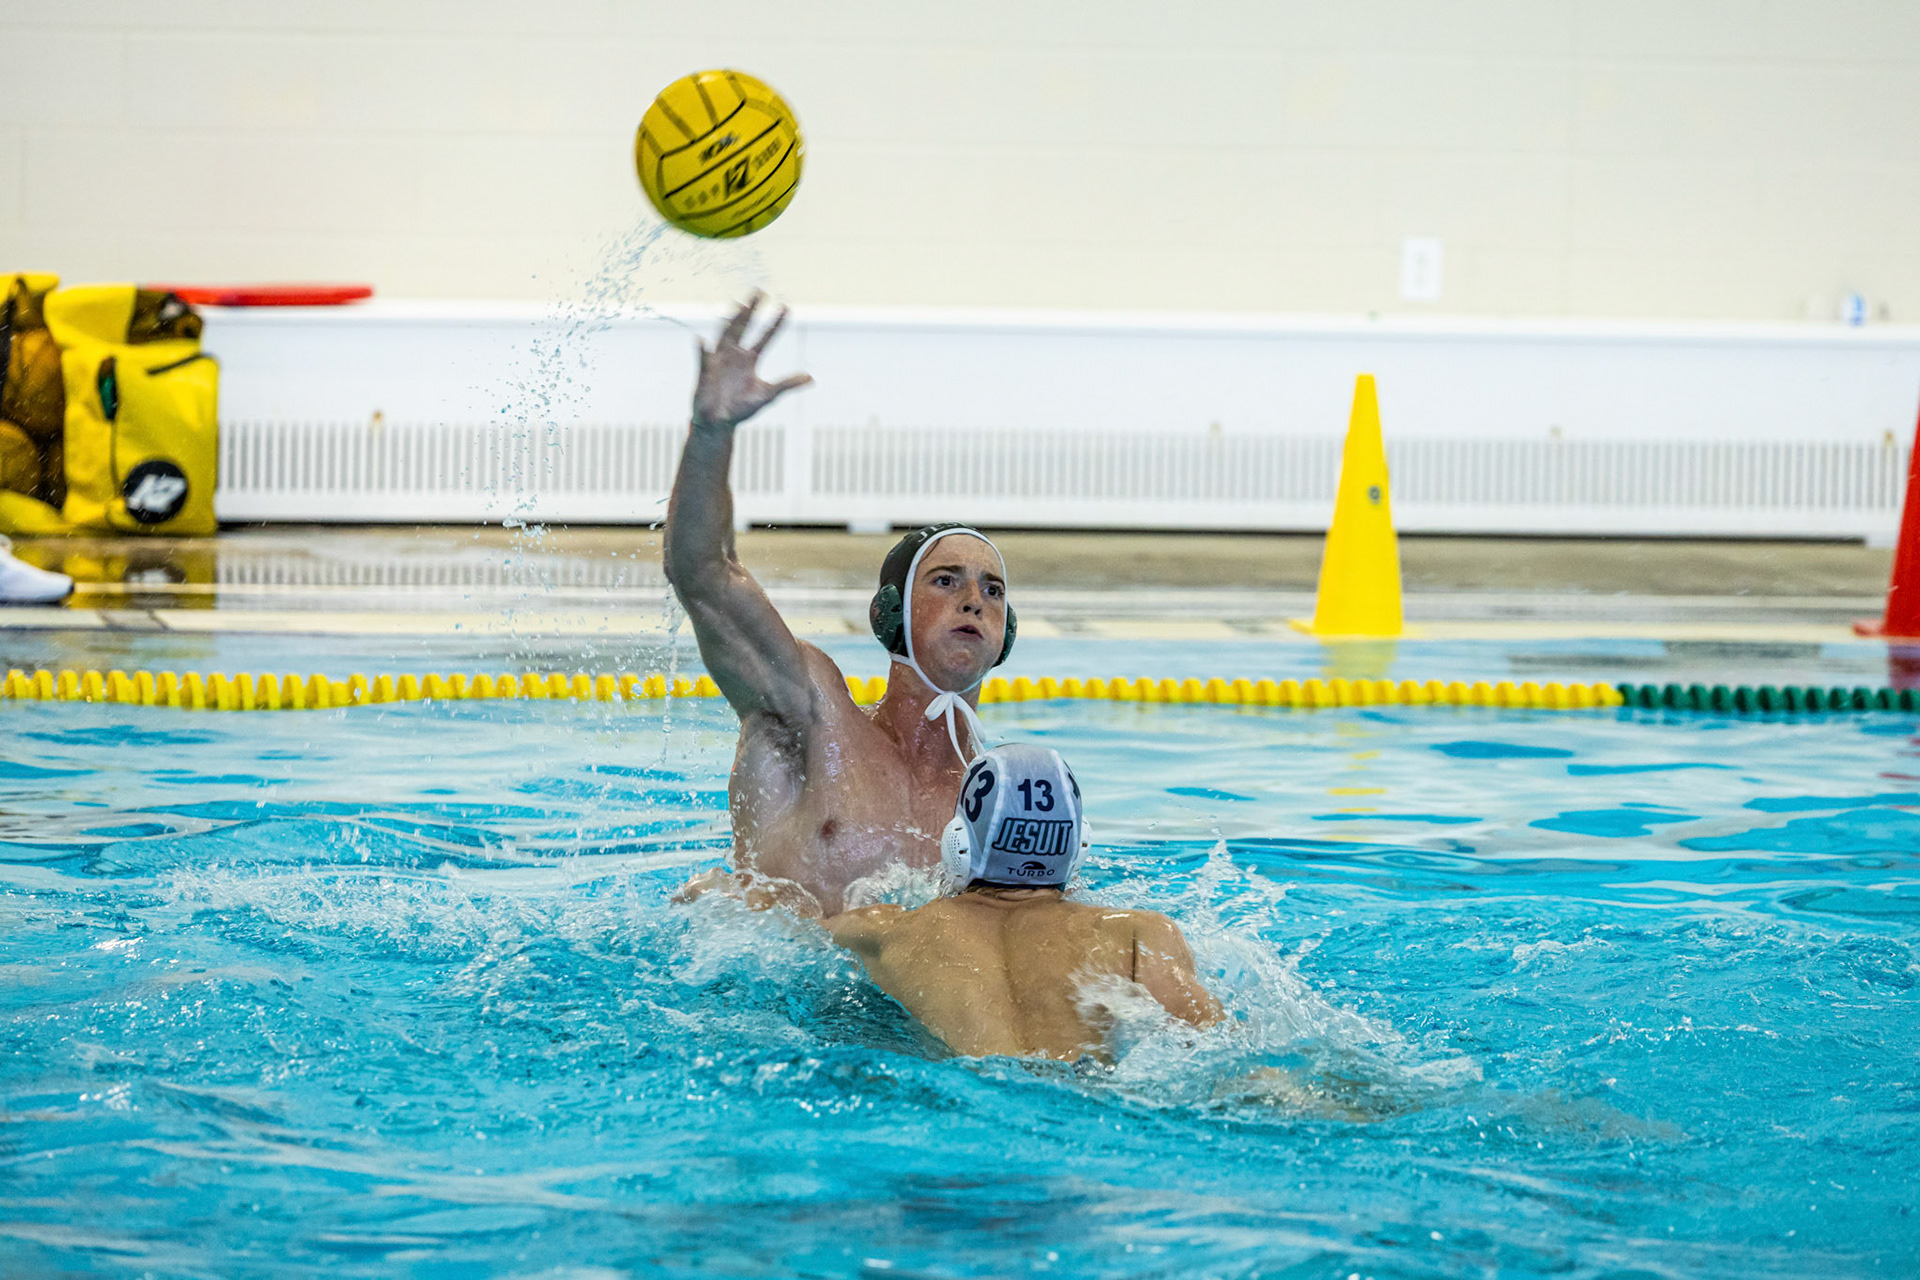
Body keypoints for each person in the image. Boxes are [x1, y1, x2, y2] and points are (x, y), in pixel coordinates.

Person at [665, 294, 1016, 917]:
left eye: (993, 590)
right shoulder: (813, 714)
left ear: (1006, 634)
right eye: (946, 581)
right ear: (890, 613)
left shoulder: (1000, 797)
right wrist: (711, 433)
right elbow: (704, 576)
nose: (974, 601)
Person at [819, 744, 1223, 1060]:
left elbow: (793, 935)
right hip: (1087, 1105)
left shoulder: (881, 933)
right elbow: (1214, 1047)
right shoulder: (1137, 935)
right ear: (1078, 845)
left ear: (958, 843)